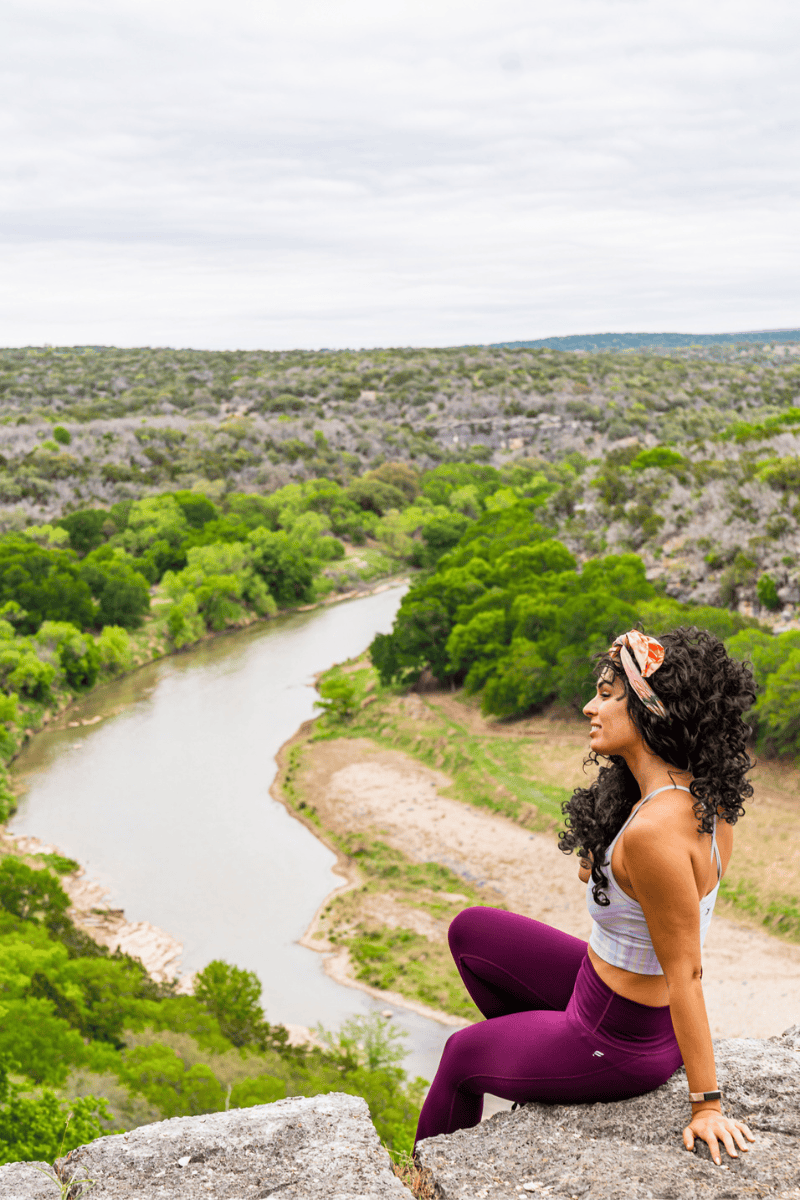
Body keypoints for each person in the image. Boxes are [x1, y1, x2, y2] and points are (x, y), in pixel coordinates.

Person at [414, 627, 756, 1165]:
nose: (586, 707)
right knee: (471, 931)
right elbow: (619, 890)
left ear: (648, 711)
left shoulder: (653, 835)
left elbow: (685, 972)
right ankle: (534, 1062)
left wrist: (706, 1105)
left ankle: (428, 1170)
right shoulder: (694, 798)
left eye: (605, 694)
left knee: (460, 1056)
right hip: (598, 988)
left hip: (621, 1038)